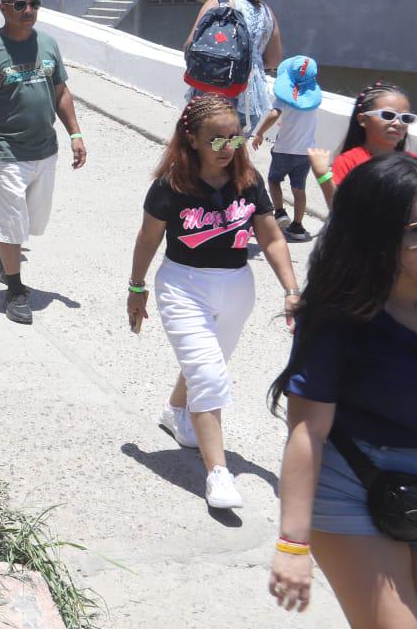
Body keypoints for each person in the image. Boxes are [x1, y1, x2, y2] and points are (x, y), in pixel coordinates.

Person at [266, 152, 417, 628]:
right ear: (374, 237)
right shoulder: (338, 313)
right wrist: (292, 543)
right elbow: (308, 431)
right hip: (354, 481)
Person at [128, 93, 301, 510]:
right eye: (218, 141)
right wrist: (136, 288)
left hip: (237, 285)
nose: (229, 149)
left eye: (236, 139)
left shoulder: (249, 181)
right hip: (183, 285)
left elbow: (271, 236)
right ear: (193, 141)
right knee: (209, 375)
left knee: (208, 362)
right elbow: (148, 238)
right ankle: (218, 474)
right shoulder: (170, 186)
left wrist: (292, 290)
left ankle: (175, 411)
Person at [0, 0, 88, 325]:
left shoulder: (48, 44)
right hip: (5, 152)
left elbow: (60, 91)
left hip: (45, 150)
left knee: (33, 223)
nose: (28, 10)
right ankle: (14, 290)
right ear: (4, 9)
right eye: (20, 4)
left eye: (34, 3)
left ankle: (3, 248)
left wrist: (75, 133)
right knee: (13, 224)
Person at [308, 80, 417, 208]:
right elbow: (339, 212)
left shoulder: (412, 162)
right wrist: (323, 176)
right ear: (363, 119)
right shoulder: (349, 161)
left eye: (405, 118)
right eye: (388, 116)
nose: (397, 123)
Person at [184, 0, 282, 133]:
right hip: (251, 100)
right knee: (233, 150)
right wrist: (250, 63)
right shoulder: (266, 11)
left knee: (206, 147)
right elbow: (274, 60)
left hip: (213, 92)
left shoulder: (217, 3)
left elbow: (190, 46)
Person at [250, 55, 324, 243]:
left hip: (284, 149)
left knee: (274, 180)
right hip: (305, 153)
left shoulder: (285, 96)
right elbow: (300, 118)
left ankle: (280, 212)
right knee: (299, 188)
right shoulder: (313, 97)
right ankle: (298, 226)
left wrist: (259, 133)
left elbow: (275, 114)